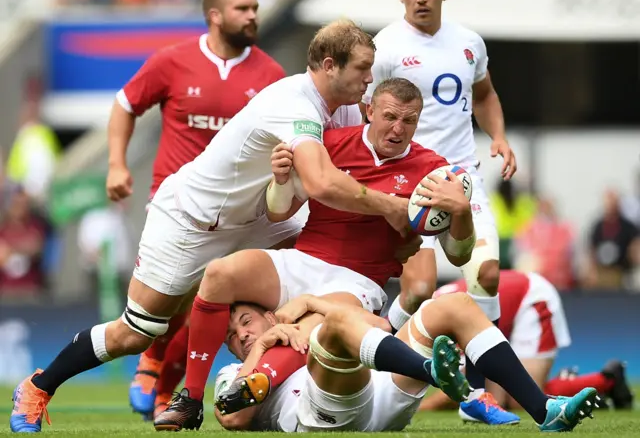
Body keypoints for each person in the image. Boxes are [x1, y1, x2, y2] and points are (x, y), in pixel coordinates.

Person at [9, 19, 411, 434]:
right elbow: (323, 183)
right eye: (363, 68)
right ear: (330, 65)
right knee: (136, 333)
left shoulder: (344, 107)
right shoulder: (296, 102)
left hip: (259, 218)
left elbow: (351, 172)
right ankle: (39, 386)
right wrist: (392, 206)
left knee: (336, 261)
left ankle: (206, 391)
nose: (369, 77)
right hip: (192, 220)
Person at [154, 77, 474, 430]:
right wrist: (279, 179)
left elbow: (458, 255)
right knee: (218, 273)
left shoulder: (433, 170)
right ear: (369, 111)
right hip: (304, 258)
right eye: (389, 117)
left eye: (409, 121)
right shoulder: (330, 144)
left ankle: (258, 383)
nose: (398, 128)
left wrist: (462, 213)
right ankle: (192, 398)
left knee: (309, 329)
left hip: (358, 280)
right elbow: (279, 211)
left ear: (418, 121)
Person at [105, 0, 287, 418]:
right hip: (178, 203)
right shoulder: (172, 61)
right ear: (215, 15)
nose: (252, 15)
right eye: (242, 8)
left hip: (241, 211)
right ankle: (154, 361)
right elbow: (126, 105)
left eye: (254, 8)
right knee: (173, 303)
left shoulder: (270, 75)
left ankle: (165, 381)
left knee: (213, 305)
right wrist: (116, 162)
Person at [362, 0, 519, 424]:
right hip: (411, 185)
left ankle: (482, 396)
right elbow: (365, 109)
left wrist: (500, 136)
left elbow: (485, 94)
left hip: (462, 180)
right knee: (418, 290)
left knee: (487, 275)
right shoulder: (386, 46)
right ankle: (371, 359)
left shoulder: (469, 43)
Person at [213, 292, 599, 433]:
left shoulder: (303, 323)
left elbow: (379, 326)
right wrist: (263, 347)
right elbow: (232, 417)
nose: (241, 334)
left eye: (246, 322)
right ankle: (435, 373)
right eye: (232, 336)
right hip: (325, 416)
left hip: (383, 393)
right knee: (334, 327)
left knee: (454, 305)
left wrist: (312, 304)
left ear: (269, 313)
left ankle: (545, 409)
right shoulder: (234, 373)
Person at [420, 270, 634, 412]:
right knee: (507, 398)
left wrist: (423, 407)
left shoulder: (442, 321)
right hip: (506, 311)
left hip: (531, 298)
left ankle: (608, 380)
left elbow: (462, 386)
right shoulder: (431, 312)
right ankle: (573, 385)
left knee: (521, 400)